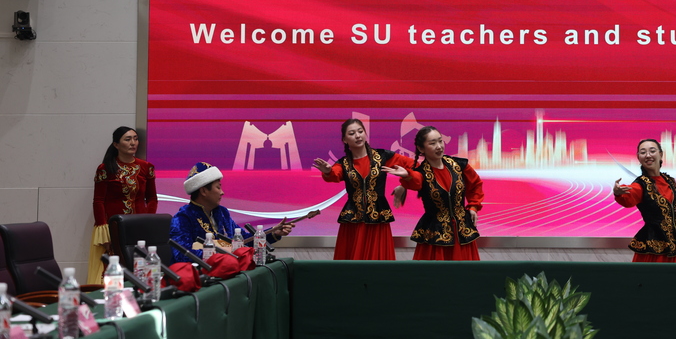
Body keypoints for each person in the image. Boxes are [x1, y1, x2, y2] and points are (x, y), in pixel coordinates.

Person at [312, 118, 415, 260]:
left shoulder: (383, 156)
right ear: (345, 140)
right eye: (352, 133)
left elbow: (415, 166)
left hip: (378, 218)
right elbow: (334, 175)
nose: (357, 136)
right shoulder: (344, 163)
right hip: (353, 221)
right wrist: (328, 171)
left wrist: (404, 184)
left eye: (360, 131)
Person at [169, 162, 293, 263]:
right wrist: (221, 253)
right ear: (203, 191)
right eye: (218, 187)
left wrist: (273, 233)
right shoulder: (183, 218)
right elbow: (181, 254)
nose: (222, 192)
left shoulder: (222, 213)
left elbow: (243, 240)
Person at [394, 126, 484, 261]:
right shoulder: (421, 173)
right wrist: (406, 176)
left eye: (440, 141)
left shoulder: (459, 165)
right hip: (435, 233)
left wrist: (473, 206)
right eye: (432, 143)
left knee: (464, 271)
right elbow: (415, 181)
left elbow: (475, 184)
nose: (439, 146)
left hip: (462, 231)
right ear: (421, 149)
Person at [87, 127, 158, 284]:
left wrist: (149, 220)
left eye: (135, 138)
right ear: (116, 144)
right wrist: (103, 230)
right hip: (113, 228)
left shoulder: (146, 167)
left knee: (139, 265)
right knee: (113, 269)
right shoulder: (105, 169)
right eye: (128, 139)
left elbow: (152, 198)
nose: (133, 143)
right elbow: (98, 201)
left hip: (139, 226)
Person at [613, 138, 676, 262]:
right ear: (638, 157)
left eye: (652, 151)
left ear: (661, 154)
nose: (648, 155)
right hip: (654, 250)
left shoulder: (669, 180)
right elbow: (628, 198)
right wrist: (618, 193)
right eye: (643, 152)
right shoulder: (640, 185)